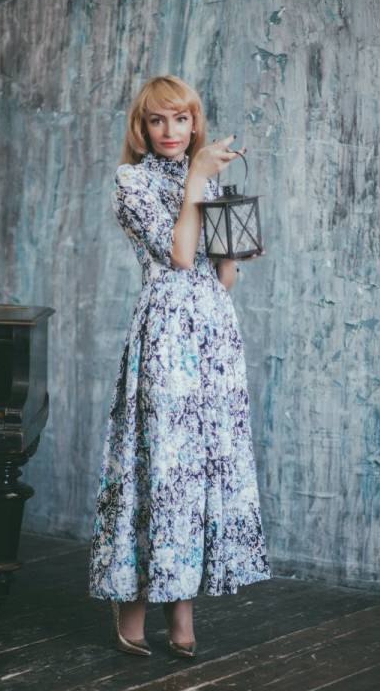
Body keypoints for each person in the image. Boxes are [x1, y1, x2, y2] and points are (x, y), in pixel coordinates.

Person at [88, 74, 271, 658]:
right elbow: (179, 257)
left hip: (214, 335)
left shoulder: (204, 180)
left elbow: (220, 277)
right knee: (161, 463)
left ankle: (182, 603)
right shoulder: (132, 183)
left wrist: (236, 241)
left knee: (197, 470)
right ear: (141, 129)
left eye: (181, 119)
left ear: (195, 125)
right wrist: (197, 181)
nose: (170, 130)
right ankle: (134, 599)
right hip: (166, 332)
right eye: (157, 120)